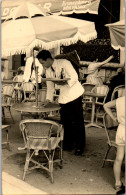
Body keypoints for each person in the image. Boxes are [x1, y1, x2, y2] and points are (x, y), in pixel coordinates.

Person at [37, 50, 86, 156]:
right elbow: (50, 87)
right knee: (65, 121)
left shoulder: (64, 63)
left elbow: (74, 77)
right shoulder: (48, 70)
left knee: (77, 122)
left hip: (74, 94)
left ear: (49, 59)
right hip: (63, 97)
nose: (43, 65)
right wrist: (47, 100)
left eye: (43, 63)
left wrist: (63, 82)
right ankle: (68, 144)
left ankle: (80, 146)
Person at [104, 96, 125, 194]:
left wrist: (114, 118)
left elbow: (106, 105)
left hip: (121, 130)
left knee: (119, 158)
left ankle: (117, 183)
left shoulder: (120, 100)